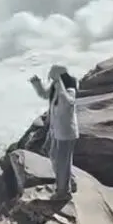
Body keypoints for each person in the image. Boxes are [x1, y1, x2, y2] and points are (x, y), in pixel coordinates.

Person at [30, 65, 79, 199]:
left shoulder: (69, 87)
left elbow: (70, 101)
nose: (52, 80)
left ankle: (63, 192)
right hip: (56, 131)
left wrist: (60, 86)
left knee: (62, 162)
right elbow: (45, 94)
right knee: (54, 156)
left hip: (66, 132)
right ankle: (70, 181)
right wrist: (37, 83)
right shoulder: (56, 86)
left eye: (53, 77)